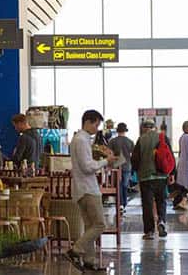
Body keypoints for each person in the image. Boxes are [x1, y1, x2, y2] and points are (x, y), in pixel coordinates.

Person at [65, 110, 118, 272]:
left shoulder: (80, 139)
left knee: (90, 226)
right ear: (87, 122)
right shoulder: (81, 140)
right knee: (100, 224)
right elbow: (87, 167)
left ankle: (89, 260)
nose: (97, 128)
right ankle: (75, 250)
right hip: (88, 189)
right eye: (96, 124)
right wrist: (105, 161)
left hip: (82, 188)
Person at [131, 120, 169, 240]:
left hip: (146, 177)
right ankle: (161, 221)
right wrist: (172, 173)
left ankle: (149, 231)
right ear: (155, 127)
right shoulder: (163, 138)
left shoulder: (141, 140)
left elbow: (135, 159)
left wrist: (136, 171)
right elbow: (169, 156)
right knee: (161, 201)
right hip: (161, 176)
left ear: (143, 128)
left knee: (147, 204)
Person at [108, 122, 135, 211]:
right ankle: (124, 204)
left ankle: (120, 204)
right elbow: (134, 155)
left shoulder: (112, 141)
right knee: (124, 185)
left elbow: (109, 154)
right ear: (125, 131)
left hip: (116, 166)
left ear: (117, 130)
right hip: (127, 166)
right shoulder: (130, 141)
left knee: (118, 185)